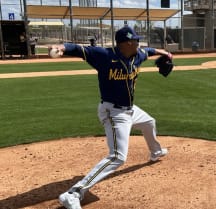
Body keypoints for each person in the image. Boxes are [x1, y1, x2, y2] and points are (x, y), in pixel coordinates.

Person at [50, 26, 170, 209]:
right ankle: (73, 194)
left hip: (130, 109)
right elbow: (79, 49)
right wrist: (61, 48)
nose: (139, 43)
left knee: (149, 122)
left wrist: (165, 53)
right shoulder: (104, 55)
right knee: (117, 157)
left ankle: (155, 152)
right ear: (127, 43)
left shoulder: (138, 54)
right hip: (113, 112)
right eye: (135, 40)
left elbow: (150, 51)